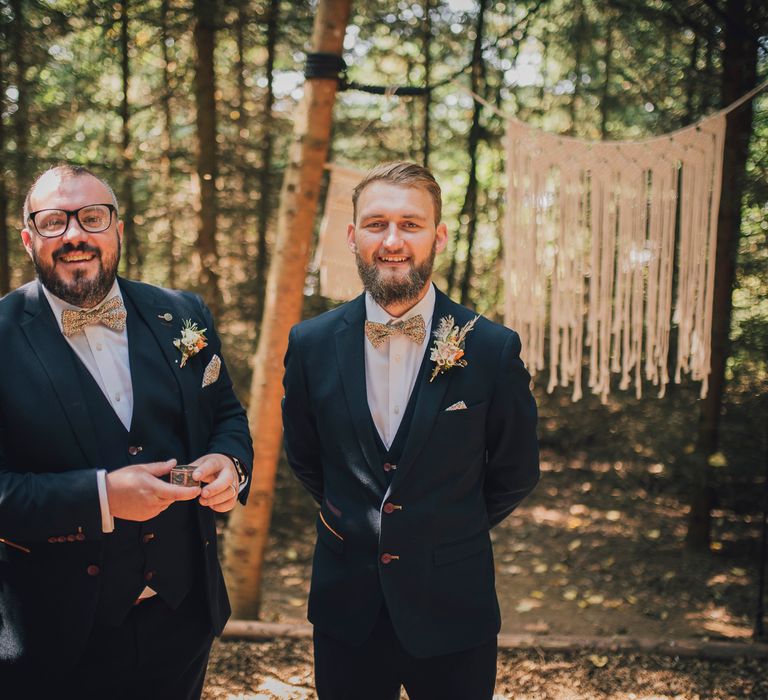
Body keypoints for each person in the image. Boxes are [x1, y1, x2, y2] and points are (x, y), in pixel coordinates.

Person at [282, 161, 540, 700]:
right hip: (346, 606)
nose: (392, 240)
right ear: (352, 236)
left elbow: (515, 470)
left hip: (453, 604)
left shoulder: (492, 348)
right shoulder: (310, 343)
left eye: (411, 224)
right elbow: (307, 457)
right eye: (376, 224)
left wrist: (444, 527)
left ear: (438, 236)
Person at [0, 164, 253, 699]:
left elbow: (226, 415)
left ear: (118, 229)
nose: (74, 234)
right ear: (28, 239)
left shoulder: (182, 313)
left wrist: (230, 464)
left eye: (92, 217)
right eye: (53, 222)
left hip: (181, 621)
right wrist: (102, 497)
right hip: (52, 635)